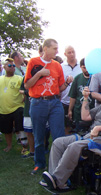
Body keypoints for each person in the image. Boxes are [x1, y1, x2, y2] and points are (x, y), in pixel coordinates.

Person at [41, 87, 101, 190]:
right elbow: (85, 117)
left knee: (74, 146)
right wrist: (85, 98)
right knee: (58, 142)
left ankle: (58, 181)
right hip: (88, 136)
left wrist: (99, 128)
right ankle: (53, 177)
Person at [24, 38, 73, 175]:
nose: (57, 51)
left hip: (55, 102)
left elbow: (60, 88)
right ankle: (39, 163)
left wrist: (68, 83)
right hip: (38, 103)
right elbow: (27, 85)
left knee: (58, 136)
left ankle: (58, 164)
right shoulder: (33, 62)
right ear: (45, 49)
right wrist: (39, 74)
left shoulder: (57, 65)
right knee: (39, 136)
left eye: (57, 48)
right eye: (54, 48)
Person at [0, 58, 24, 152]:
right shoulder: (0, 79)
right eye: (9, 65)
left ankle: (24, 146)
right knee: (6, 130)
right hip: (3, 109)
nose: (12, 67)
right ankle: (9, 145)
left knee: (21, 128)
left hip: (17, 107)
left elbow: (24, 90)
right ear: (4, 67)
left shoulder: (19, 78)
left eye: (13, 65)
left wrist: (24, 97)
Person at [68, 58, 94, 131]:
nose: (86, 70)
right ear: (80, 67)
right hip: (78, 112)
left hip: (92, 111)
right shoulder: (77, 78)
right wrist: (70, 110)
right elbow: (73, 96)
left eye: (88, 67)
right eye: (84, 68)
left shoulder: (96, 77)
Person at [60, 46, 81, 135]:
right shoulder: (61, 67)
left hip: (78, 101)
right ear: (65, 54)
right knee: (66, 126)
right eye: (69, 52)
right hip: (64, 100)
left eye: (73, 52)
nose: (72, 54)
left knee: (78, 125)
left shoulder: (82, 66)